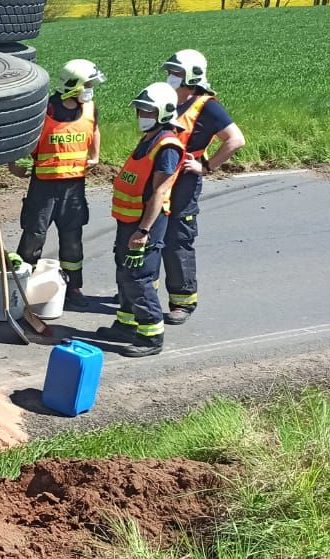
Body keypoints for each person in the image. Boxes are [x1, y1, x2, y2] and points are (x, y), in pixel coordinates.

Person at [8, 59, 104, 310]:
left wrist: (95, 155)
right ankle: (21, 286)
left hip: (74, 187)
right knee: (34, 236)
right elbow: (22, 135)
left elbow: (94, 129)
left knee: (72, 239)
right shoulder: (45, 110)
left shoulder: (90, 108)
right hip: (44, 187)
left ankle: (73, 287)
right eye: (88, 85)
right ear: (73, 85)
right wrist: (12, 164)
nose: (91, 90)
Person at [161, 49, 245, 325]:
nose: (170, 76)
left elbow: (235, 140)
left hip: (185, 179)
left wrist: (206, 167)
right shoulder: (167, 99)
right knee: (151, 233)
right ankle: (142, 293)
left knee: (178, 238)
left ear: (191, 76)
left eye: (175, 72)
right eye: (170, 71)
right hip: (160, 176)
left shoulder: (207, 106)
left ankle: (182, 301)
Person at [104, 82, 185, 358]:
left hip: (144, 223)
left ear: (164, 113)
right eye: (140, 110)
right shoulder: (150, 138)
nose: (142, 115)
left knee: (139, 278)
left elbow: (159, 192)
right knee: (124, 272)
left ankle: (151, 336)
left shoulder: (167, 146)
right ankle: (127, 325)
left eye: (148, 111)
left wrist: (143, 230)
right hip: (128, 221)